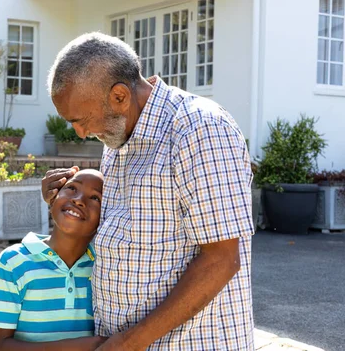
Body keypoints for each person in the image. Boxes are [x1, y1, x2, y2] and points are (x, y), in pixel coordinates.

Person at [42, 32, 255, 350]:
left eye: (82, 120)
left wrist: (128, 343)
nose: (81, 132)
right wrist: (64, 203)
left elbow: (221, 260)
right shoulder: (119, 134)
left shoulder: (199, 129)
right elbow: (125, 234)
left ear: (119, 96)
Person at [0, 169, 107, 351]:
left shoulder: (104, 266)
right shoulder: (14, 262)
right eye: (72, 188)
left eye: (95, 198)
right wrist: (81, 347)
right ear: (52, 198)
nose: (78, 199)